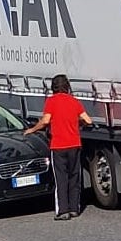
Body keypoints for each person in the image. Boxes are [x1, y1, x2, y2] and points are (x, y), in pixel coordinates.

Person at [24, 74, 94, 221]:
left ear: (53, 87)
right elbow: (88, 120)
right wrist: (77, 123)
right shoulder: (74, 101)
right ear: (67, 86)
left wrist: (32, 129)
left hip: (58, 146)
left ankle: (63, 210)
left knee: (61, 178)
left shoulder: (51, 101)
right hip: (74, 144)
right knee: (74, 176)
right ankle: (75, 208)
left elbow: (45, 121)